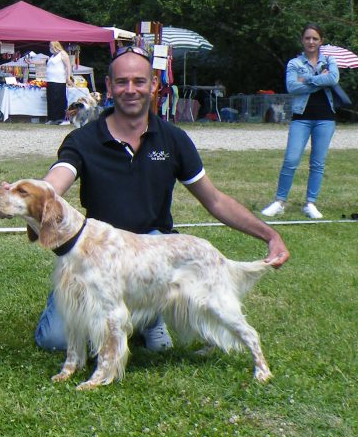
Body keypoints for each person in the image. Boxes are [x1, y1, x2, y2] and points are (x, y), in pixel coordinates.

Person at [31, 46, 290, 351]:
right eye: (122, 82)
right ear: (109, 86)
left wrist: (269, 234)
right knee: (54, 340)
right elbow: (55, 182)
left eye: (139, 81)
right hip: (99, 260)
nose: (131, 90)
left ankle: (148, 313)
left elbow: (215, 200)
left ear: (154, 84)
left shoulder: (173, 139)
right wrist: (21, 196)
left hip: (152, 258)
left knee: (157, 342)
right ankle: (133, 317)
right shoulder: (83, 140)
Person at [261, 24, 340, 220]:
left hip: (325, 118)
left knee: (317, 163)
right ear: (302, 40)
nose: (311, 42)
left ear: (321, 41)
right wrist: (317, 79)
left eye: (315, 38)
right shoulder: (294, 63)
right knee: (291, 160)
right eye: (307, 38)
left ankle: (310, 203)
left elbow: (334, 78)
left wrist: (307, 80)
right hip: (301, 118)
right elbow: (292, 87)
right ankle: (279, 202)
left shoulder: (329, 60)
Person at [44, 41, 73, 125]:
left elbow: (68, 66)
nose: (50, 48)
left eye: (51, 46)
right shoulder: (52, 56)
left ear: (55, 46)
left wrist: (68, 77)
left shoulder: (62, 54)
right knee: (51, 99)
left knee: (59, 99)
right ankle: (51, 118)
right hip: (50, 80)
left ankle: (61, 118)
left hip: (59, 80)